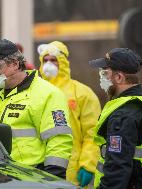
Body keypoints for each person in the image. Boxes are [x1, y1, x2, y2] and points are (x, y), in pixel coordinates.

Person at [0, 39, 73, 178]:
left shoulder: (47, 94)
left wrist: (52, 179)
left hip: (30, 179)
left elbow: (59, 141)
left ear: (15, 64)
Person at [37, 41, 101, 187]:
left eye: (53, 60)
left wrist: (88, 164)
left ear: (63, 62)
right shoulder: (35, 92)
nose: (49, 64)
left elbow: (93, 133)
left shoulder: (82, 93)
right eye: (45, 60)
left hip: (71, 169)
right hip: (38, 167)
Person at [89, 48, 142, 188]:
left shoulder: (124, 114)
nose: (101, 77)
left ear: (119, 77)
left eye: (105, 73)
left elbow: (117, 170)